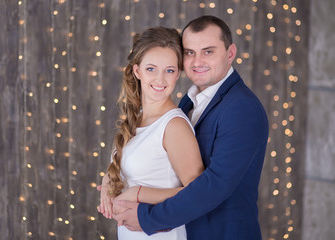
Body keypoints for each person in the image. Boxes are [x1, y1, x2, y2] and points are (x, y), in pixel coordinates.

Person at [112, 15, 269, 240]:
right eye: (189, 52)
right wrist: (111, 180)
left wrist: (147, 216)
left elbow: (213, 187)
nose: (197, 62)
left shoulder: (242, 108)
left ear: (230, 53)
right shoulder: (189, 101)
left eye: (208, 51)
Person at [97, 26, 204, 239]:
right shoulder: (137, 118)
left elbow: (199, 194)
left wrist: (137, 193)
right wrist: (109, 182)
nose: (160, 79)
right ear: (137, 71)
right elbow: (128, 166)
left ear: (178, 74)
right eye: (151, 69)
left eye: (170, 70)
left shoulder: (174, 126)